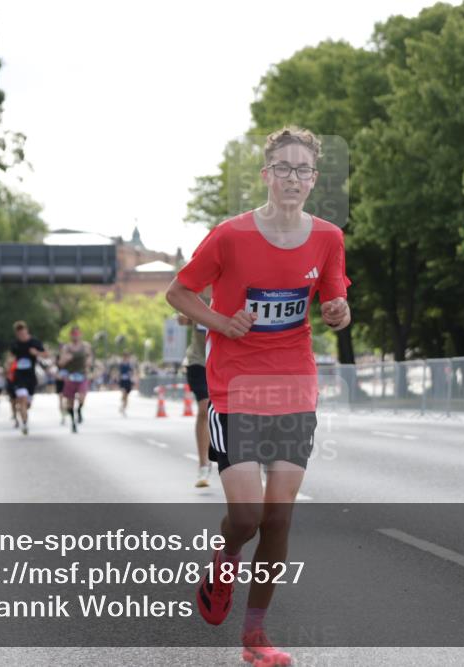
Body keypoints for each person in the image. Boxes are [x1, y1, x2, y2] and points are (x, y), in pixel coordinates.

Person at [166, 126, 351, 666]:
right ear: (266, 174)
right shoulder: (229, 236)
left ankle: (255, 637)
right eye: (283, 168)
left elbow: (335, 301)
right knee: (245, 518)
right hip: (236, 388)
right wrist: (222, 321)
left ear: (314, 179)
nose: (292, 178)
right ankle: (223, 563)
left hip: (294, 386)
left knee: (278, 519)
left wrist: (340, 312)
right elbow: (179, 290)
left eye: (303, 170)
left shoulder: (327, 238)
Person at [180, 295, 212, 487]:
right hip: (199, 361)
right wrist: (184, 317)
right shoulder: (196, 291)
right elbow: (180, 308)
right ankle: (203, 466)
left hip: (226, 361)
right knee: (204, 408)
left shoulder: (232, 286)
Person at [10, 321, 46, 435]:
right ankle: (24, 423)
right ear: (17, 334)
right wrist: (9, 365)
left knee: (27, 403)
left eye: (23, 333)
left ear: (27, 331)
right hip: (19, 376)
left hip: (31, 377)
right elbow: (11, 357)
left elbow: (46, 354)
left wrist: (36, 353)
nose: (21, 335)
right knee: (22, 399)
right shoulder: (15, 344)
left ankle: (24, 412)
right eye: (19, 334)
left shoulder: (34, 342)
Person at [58, 326, 93, 434]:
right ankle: (73, 422)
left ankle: (79, 410)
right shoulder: (66, 347)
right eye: (73, 334)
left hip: (82, 375)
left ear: (81, 334)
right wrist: (66, 359)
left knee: (82, 396)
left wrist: (88, 363)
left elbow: (90, 357)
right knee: (70, 401)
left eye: (77, 334)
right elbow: (60, 363)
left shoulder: (86, 346)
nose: (75, 336)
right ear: (70, 335)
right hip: (70, 376)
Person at [117, 351, 136, 417]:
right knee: (124, 393)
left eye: (127, 357)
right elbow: (118, 372)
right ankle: (123, 405)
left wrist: (132, 375)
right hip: (122, 381)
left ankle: (123, 408)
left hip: (128, 381)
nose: (126, 358)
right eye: (125, 357)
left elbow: (133, 372)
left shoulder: (130, 364)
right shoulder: (121, 364)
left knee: (127, 396)